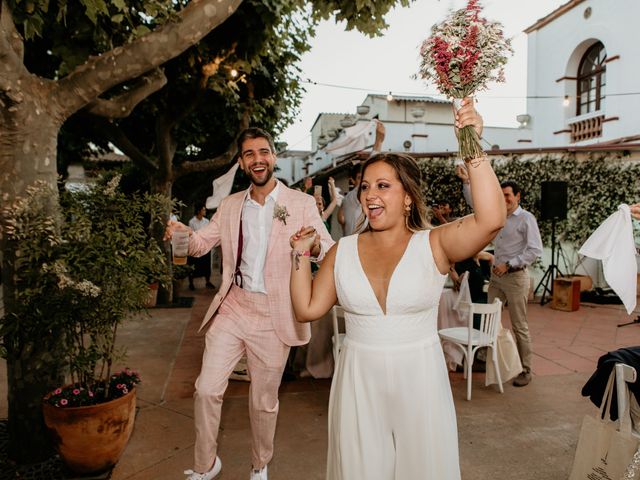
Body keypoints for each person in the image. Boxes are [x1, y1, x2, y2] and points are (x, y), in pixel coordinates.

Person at [289, 99, 505, 479]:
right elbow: (307, 308)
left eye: (383, 186)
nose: (370, 194)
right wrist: (297, 256)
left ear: (407, 197)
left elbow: (491, 219)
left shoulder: (434, 244)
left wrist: (471, 143)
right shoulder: (343, 251)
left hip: (419, 379)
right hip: (358, 381)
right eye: (365, 186)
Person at [165, 127, 334, 480]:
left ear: (274, 157)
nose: (257, 159)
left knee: (263, 402)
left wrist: (311, 245)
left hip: (275, 315)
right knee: (206, 389)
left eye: (263, 152)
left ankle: (260, 465)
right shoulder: (229, 206)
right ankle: (206, 464)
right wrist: (182, 233)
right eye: (249, 154)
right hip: (233, 306)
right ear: (242, 164)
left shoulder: (300, 204)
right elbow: (199, 245)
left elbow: (327, 249)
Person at [459, 166, 543, 387]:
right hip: (497, 278)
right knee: (489, 320)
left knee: (519, 326)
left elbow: (534, 250)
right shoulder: (497, 215)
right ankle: (485, 358)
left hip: (516, 278)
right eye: (501, 195)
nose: (504, 199)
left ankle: (526, 370)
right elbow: (476, 205)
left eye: (507, 195)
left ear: (517, 196)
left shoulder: (526, 219)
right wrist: (467, 182)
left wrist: (509, 264)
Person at [337, 119, 386, 236]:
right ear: (352, 180)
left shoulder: (349, 199)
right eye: (360, 178)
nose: (365, 183)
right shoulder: (352, 196)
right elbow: (371, 168)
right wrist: (378, 140)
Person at [188, 204, 215, 290]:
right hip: (195, 246)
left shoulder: (206, 221)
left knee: (206, 264)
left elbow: (209, 232)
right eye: (203, 210)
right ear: (199, 211)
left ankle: (208, 281)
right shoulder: (191, 222)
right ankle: (191, 283)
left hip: (205, 246)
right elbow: (192, 234)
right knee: (194, 264)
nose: (205, 211)